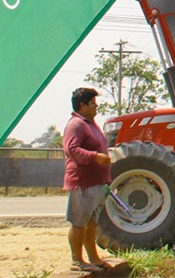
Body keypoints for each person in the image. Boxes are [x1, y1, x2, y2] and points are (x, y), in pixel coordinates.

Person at [63, 87, 112, 272]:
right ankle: (77, 260)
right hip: (83, 183)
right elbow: (72, 149)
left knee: (92, 223)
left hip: (97, 183)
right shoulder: (76, 124)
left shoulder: (90, 123)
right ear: (82, 105)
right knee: (79, 222)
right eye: (92, 103)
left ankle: (93, 258)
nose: (96, 106)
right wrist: (95, 157)